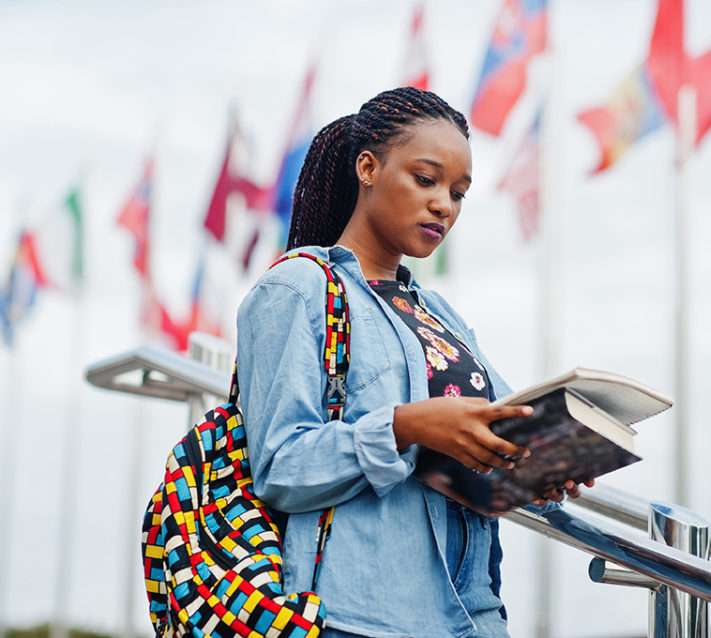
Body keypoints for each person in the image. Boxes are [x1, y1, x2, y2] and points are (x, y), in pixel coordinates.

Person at [236, 86, 591, 638]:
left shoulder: (438, 312)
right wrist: (406, 427)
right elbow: (281, 468)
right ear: (368, 168)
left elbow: (486, 439)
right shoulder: (298, 288)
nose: (444, 204)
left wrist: (541, 463)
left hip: (472, 614)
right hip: (355, 619)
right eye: (426, 179)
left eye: (458, 192)